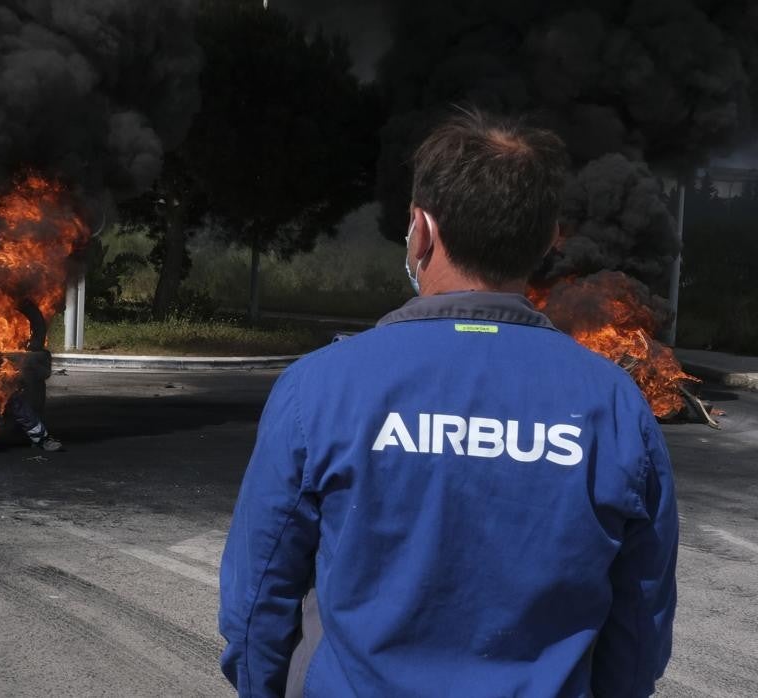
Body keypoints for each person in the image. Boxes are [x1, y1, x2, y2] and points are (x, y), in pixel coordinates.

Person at [218, 109, 677, 698]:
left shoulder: (321, 388)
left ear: (422, 231)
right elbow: (641, 620)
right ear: (546, 240)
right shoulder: (614, 404)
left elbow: (257, 600)